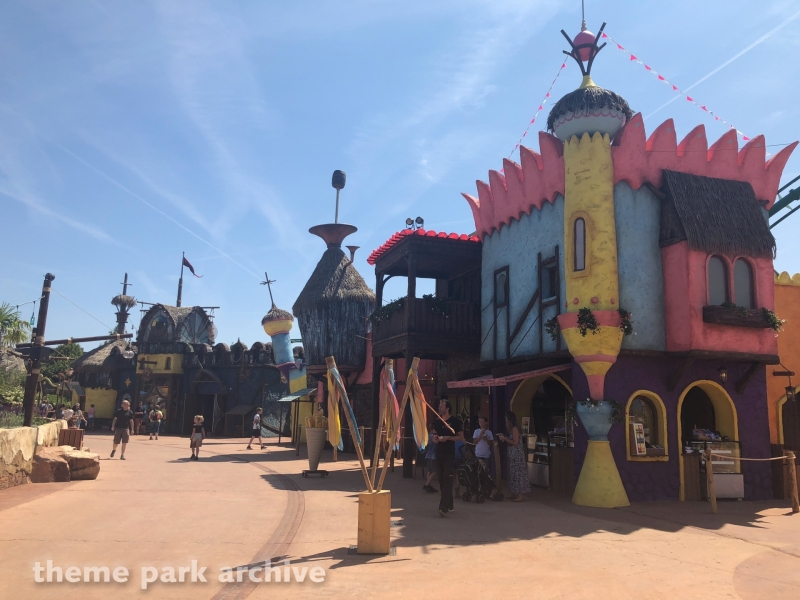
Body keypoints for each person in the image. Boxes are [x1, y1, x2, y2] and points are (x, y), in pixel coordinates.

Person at [432, 400, 464, 517]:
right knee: (441, 479)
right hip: (439, 453)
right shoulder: (437, 421)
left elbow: (460, 437)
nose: (439, 407)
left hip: (449, 454)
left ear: (447, 408)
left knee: (447, 479)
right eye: (439, 405)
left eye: (441, 406)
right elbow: (435, 436)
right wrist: (435, 440)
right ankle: (449, 503)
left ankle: (443, 507)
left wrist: (448, 438)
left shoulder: (455, 421)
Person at [497, 411, 530, 502]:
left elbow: (515, 442)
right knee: (512, 473)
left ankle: (520, 495)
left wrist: (505, 438)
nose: (505, 421)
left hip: (517, 455)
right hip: (512, 454)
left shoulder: (515, 428)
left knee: (518, 474)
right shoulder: (511, 429)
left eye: (506, 419)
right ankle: (514, 493)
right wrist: (505, 438)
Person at [422, 427, 438, 493]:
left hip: (428, 455)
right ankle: (427, 484)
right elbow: (436, 442)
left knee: (429, 471)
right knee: (435, 471)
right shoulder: (434, 436)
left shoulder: (427, 436)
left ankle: (429, 485)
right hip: (433, 456)